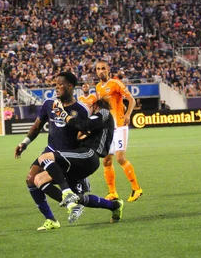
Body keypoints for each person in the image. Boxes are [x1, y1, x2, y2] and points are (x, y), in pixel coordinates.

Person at [14, 72, 90, 231]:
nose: (56, 87)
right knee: (31, 179)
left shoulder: (81, 110)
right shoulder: (49, 104)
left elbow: (85, 136)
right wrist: (24, 143)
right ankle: (51, 219)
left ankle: (87, 194)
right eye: (55, 84)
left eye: (60, 84)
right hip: (49, 151)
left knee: (45, 182)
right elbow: (37, 126)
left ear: (70, 86)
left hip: (67, 156)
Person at [33, 97, 124, 224]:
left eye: (89, 106)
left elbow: (85, 124)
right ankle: (114, 206)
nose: (88, 109)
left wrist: (64, 115)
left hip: (89, 155)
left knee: (44, 157)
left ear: (96, 105)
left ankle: (67, 193)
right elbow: (84, 129)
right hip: (82, 157)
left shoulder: (104, 112)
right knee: (38, 179)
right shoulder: (96, 126)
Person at [94, 61, 143, 202]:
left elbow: (131, 100)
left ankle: (136, 188)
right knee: (106, 160)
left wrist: (128, 115)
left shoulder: (116, 83)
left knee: (120, 158)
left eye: (103, 68)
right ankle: (112, 192)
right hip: (107, 128)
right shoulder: (97, 87)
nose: (101, 71)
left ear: (108, 70)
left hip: (119, 125)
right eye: (98, 69)